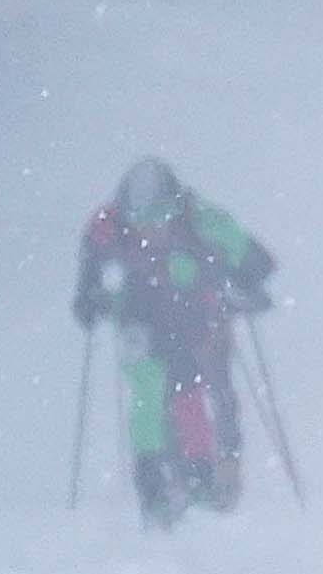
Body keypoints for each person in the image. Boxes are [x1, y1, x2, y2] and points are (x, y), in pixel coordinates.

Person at [73, 158, 272, 527]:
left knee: (187, 392)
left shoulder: (199, 219)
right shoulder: (112, 222)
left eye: (158, 221)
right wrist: (88, 290)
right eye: (141, 223)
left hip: (192, 318)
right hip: (140, 316)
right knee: (148, 395)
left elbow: (252, 257)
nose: (150, 231)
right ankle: (152, 484)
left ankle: (200, 475)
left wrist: (247, 278)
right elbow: (93, 246)